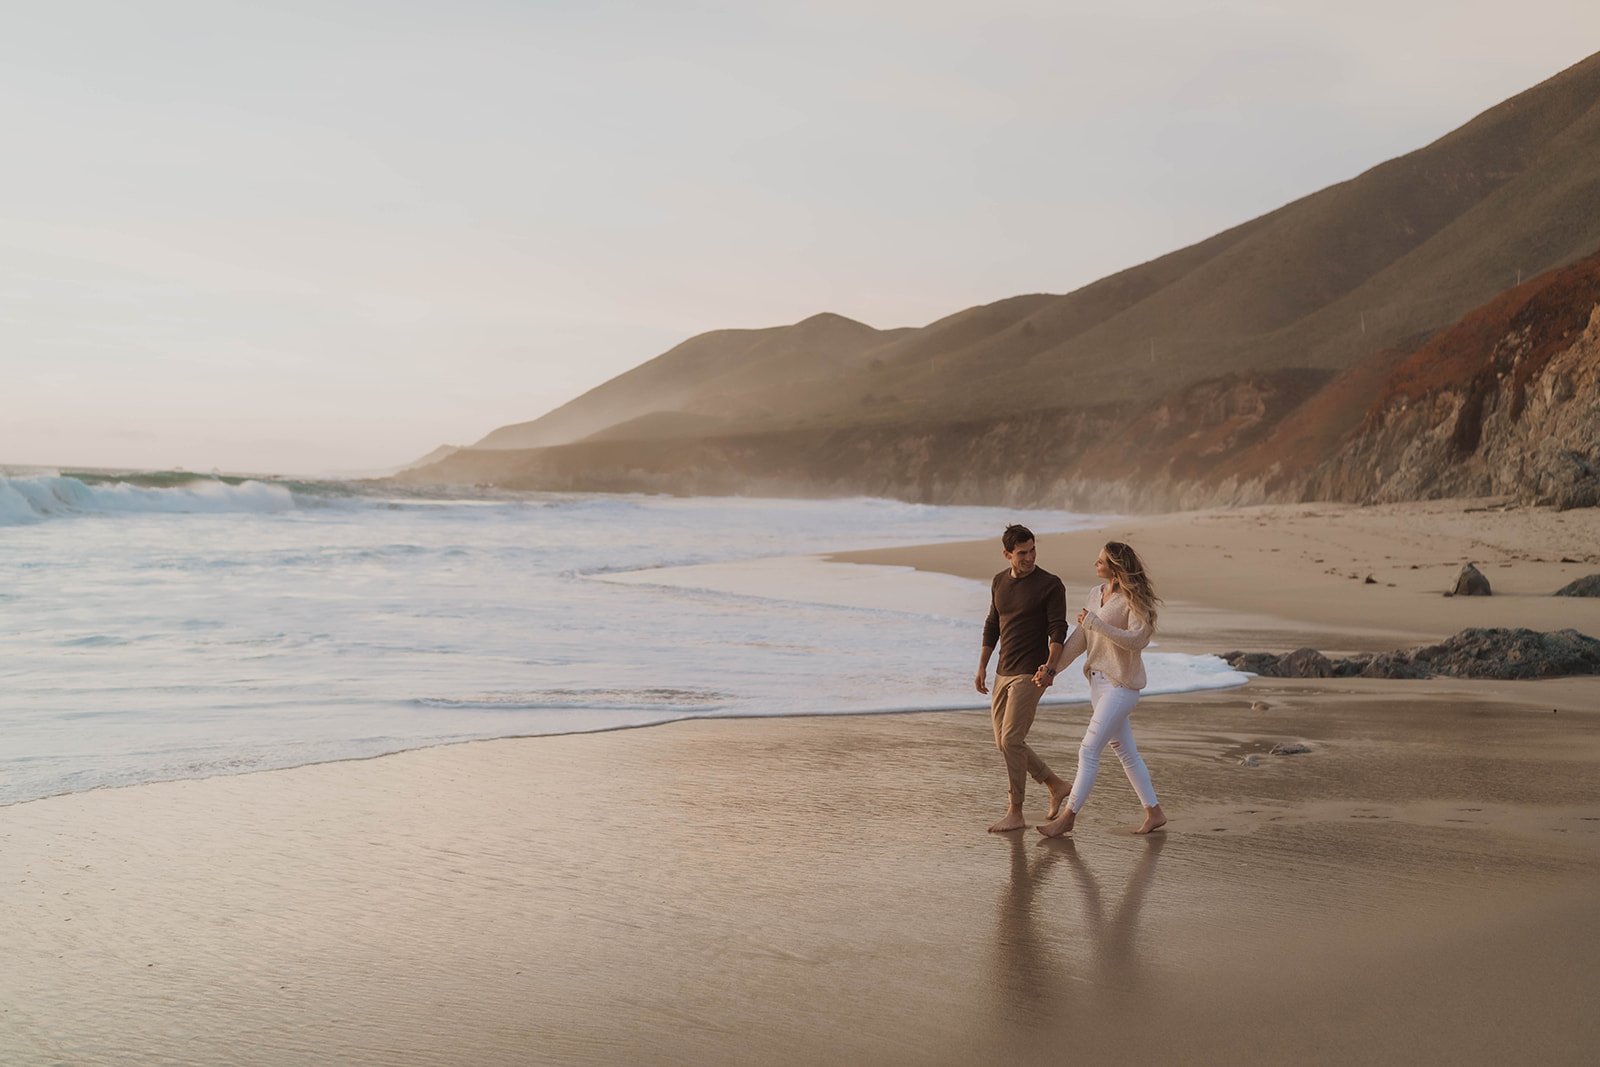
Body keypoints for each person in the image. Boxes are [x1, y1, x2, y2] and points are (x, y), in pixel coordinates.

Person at [1037, 542, 1167, 837]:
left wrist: (1097, 624)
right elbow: (1080, 639)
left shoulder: (1134, 600)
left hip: (1121, 685)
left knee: (1088, 749)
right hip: (1097, 683)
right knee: (1125, 751)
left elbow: (1137, 640)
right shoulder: (1096, 594)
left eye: (1101, 561)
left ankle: (1068, 817)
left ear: (1117, 566)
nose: (1095, 564)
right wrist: (1052, 669)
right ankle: (1154, 812)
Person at [976, 524, 1071, 833]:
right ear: (1007, 555)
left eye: (1032, 550)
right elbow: (993, 624)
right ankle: (1055, 784)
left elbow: (1058, 629)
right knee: (1004, 743)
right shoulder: (999, 582)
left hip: (1031, 672)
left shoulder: (1050, 585)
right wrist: (982, 667)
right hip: (1003, 669)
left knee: (1011, 739)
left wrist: (1050, 666)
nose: (1029, 557)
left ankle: (1015, 811)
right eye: (1021, 553)